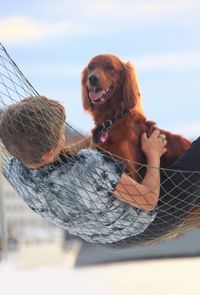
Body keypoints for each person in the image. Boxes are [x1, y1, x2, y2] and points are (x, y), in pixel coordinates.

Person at [0, 96, 199, 246]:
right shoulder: (89, 166)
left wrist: (89, 141)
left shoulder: (15, 170)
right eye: (61, 134)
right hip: (149, 223)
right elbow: (148, 201)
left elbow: (55, 163)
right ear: (50, 152)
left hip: (108, 240)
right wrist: (152, 153)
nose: (63, 135)